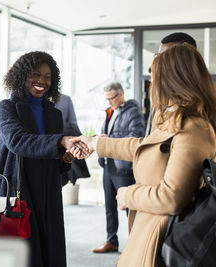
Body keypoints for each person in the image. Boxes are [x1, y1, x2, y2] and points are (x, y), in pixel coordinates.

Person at [71, 43, 216, 266]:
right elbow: (146, 146)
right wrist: (96, 144)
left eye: (155, 77)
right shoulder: (178, 120)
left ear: (172, 80)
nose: (153, 85)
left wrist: (128, 194)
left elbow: (171, 197)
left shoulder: (193, 127)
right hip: (150, 231)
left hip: (160, 238)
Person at [0, 51, 76, 267]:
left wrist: (66, 158)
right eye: (35, 74)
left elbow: (55, 161)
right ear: (22, 75)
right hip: (20, 188)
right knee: (25, 254)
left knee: (51, 249)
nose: (42, 81)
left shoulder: (54, 113)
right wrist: (61, 142)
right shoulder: (6, 108)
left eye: (48, 77)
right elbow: (18, 141)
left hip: (49, 191)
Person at [90, 82, 145, 253]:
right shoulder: (110, 111)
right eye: (107, 99)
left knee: (129, 207)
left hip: (123, 167)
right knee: (109, 208)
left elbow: (137, 137)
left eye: (112, 98)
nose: (109, 102)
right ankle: (111, 241)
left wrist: (109, 139)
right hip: (108, 164)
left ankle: (137, 244)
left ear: (121, 95)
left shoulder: (133, 111)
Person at [146, 32, 197, 136]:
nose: (159, 62)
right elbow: (148, 141)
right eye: (159, 56)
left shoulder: (199, 108)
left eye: (166, 57)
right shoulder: (161, 101)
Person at [56, 93, 90, 185]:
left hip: (63, 150)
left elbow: (73, 125)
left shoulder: (65, 99)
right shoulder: (32, 99)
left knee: (60, 183)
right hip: (44, 152)